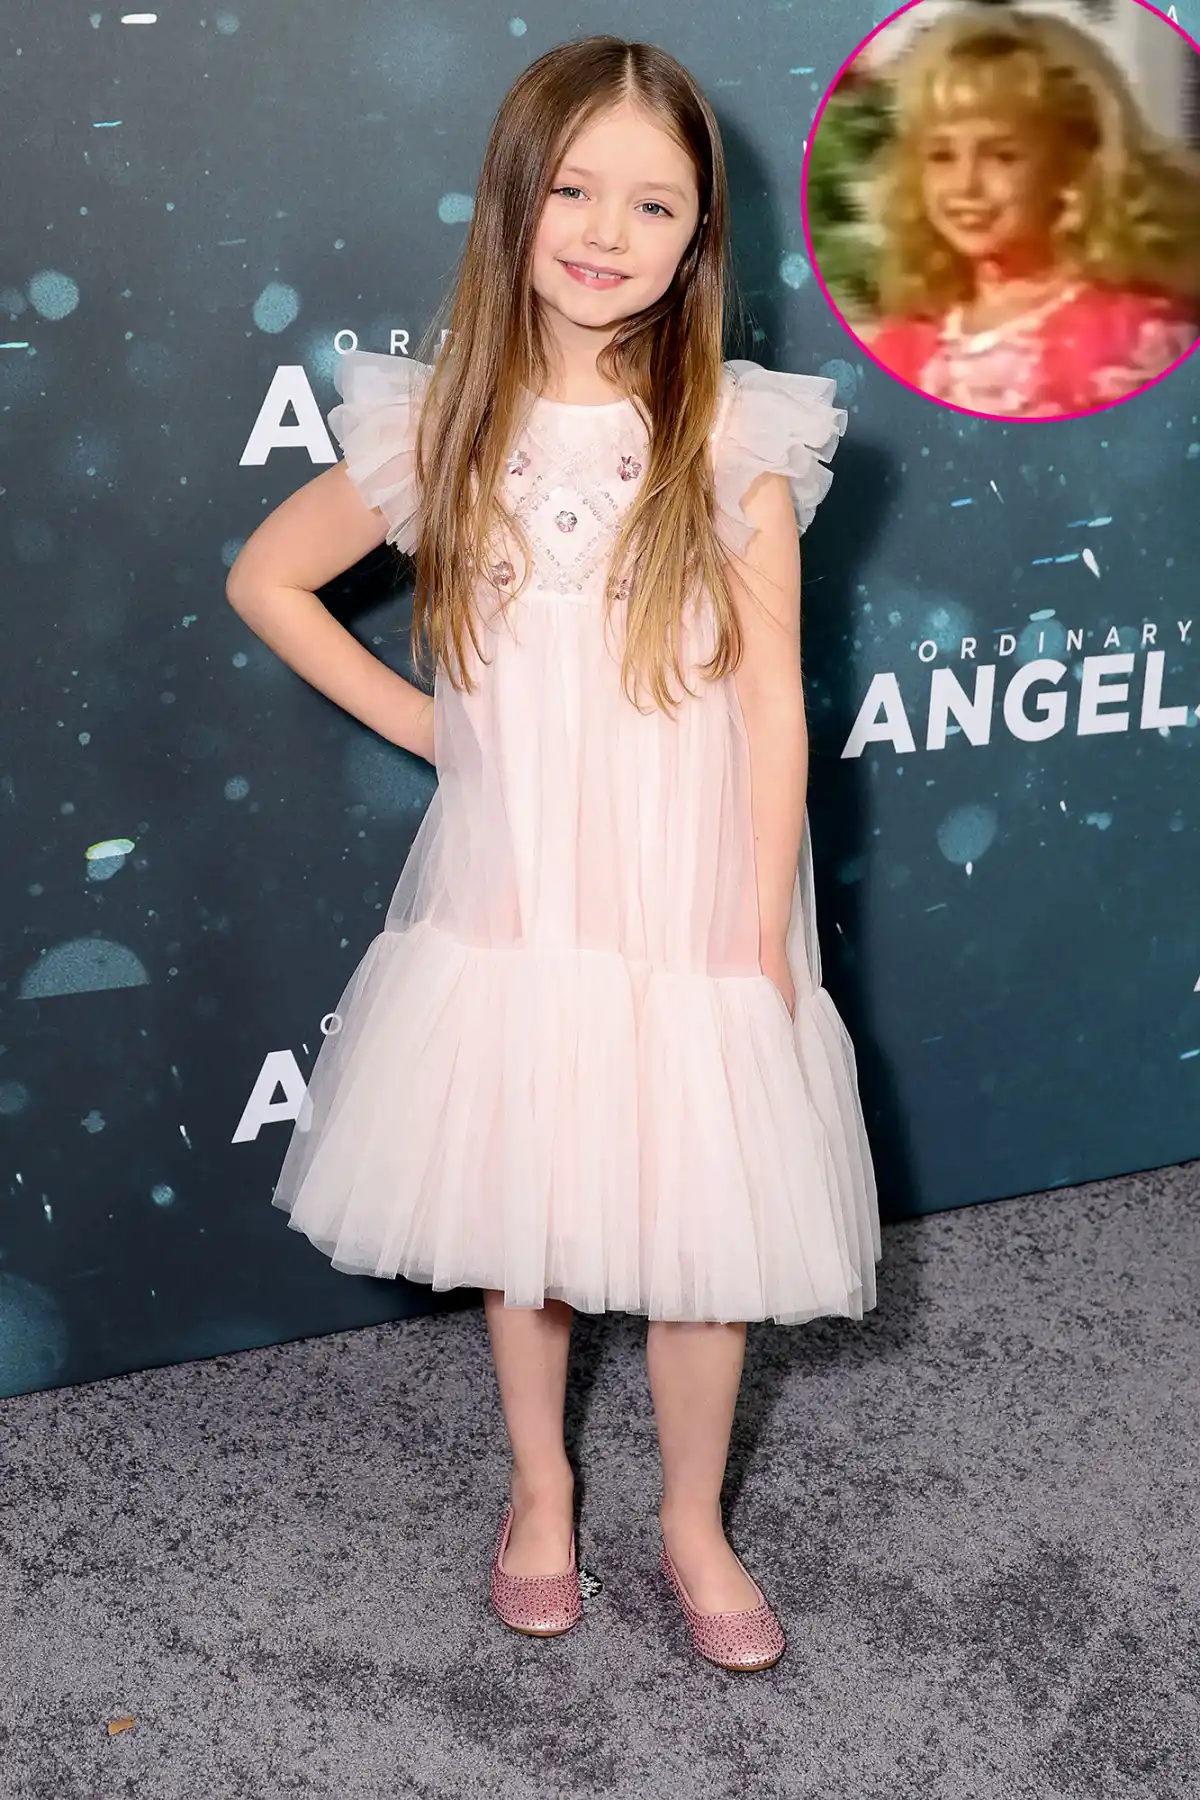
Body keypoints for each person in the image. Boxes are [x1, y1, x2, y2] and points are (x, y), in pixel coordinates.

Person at [226, 34, 880, 1673]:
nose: (608, 230)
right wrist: (439, 728)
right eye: (577, 189)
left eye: (654, 203)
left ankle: (693, 1519)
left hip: (693, 891)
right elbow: (268, 580)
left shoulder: (732, 433)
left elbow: (777, 710)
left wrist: (756, 929)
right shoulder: (448, 420)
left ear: (699, 234)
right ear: (516, 199)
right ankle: (541, 1485)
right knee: (529, 1205)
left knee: (707, 1242)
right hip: (520, 883)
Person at [861, 6, 1200, 417]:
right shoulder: (904, 345)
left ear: (1073, 166)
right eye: (941, 156)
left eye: (1002, 156)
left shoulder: (1132, 340)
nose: (965, 185)